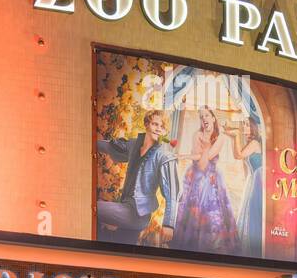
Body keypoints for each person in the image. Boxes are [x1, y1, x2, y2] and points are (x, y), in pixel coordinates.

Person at [96, 109, 176, 245]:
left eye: (162, 127)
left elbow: (172, 193)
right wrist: (90, 142)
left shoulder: (164, 157)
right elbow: (112, 148)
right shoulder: (134, 145)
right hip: (125, 205)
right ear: (146, 124)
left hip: (138, 214)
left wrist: (169, 224)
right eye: (155, 124)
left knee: (94, 207)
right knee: (119, 248)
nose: (158, 129)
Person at [172, 108, 241, 253]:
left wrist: (185, 156)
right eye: (201, 116)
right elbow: (197, 156)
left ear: (213, 118)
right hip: (195, 175)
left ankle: (211, 246)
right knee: (191, 210)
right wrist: (192, 154)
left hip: (212, 177)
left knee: (212, 213)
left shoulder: (220, 137)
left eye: (207, 115)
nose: (204, 118)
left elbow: (207, 157)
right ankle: (189, 245)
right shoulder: (196, 134)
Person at [232, 120, 264, 255]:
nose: (243, 126)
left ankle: (254, 249)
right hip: (252, 181)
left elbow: (238, 155)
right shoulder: (251, 143)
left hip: (258, 181)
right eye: (243, 124)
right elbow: (238, 156)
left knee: (253, 214)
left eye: (246, 124)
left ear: (253, 127)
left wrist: (235, 136)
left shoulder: (255, 143)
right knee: (248, 213)